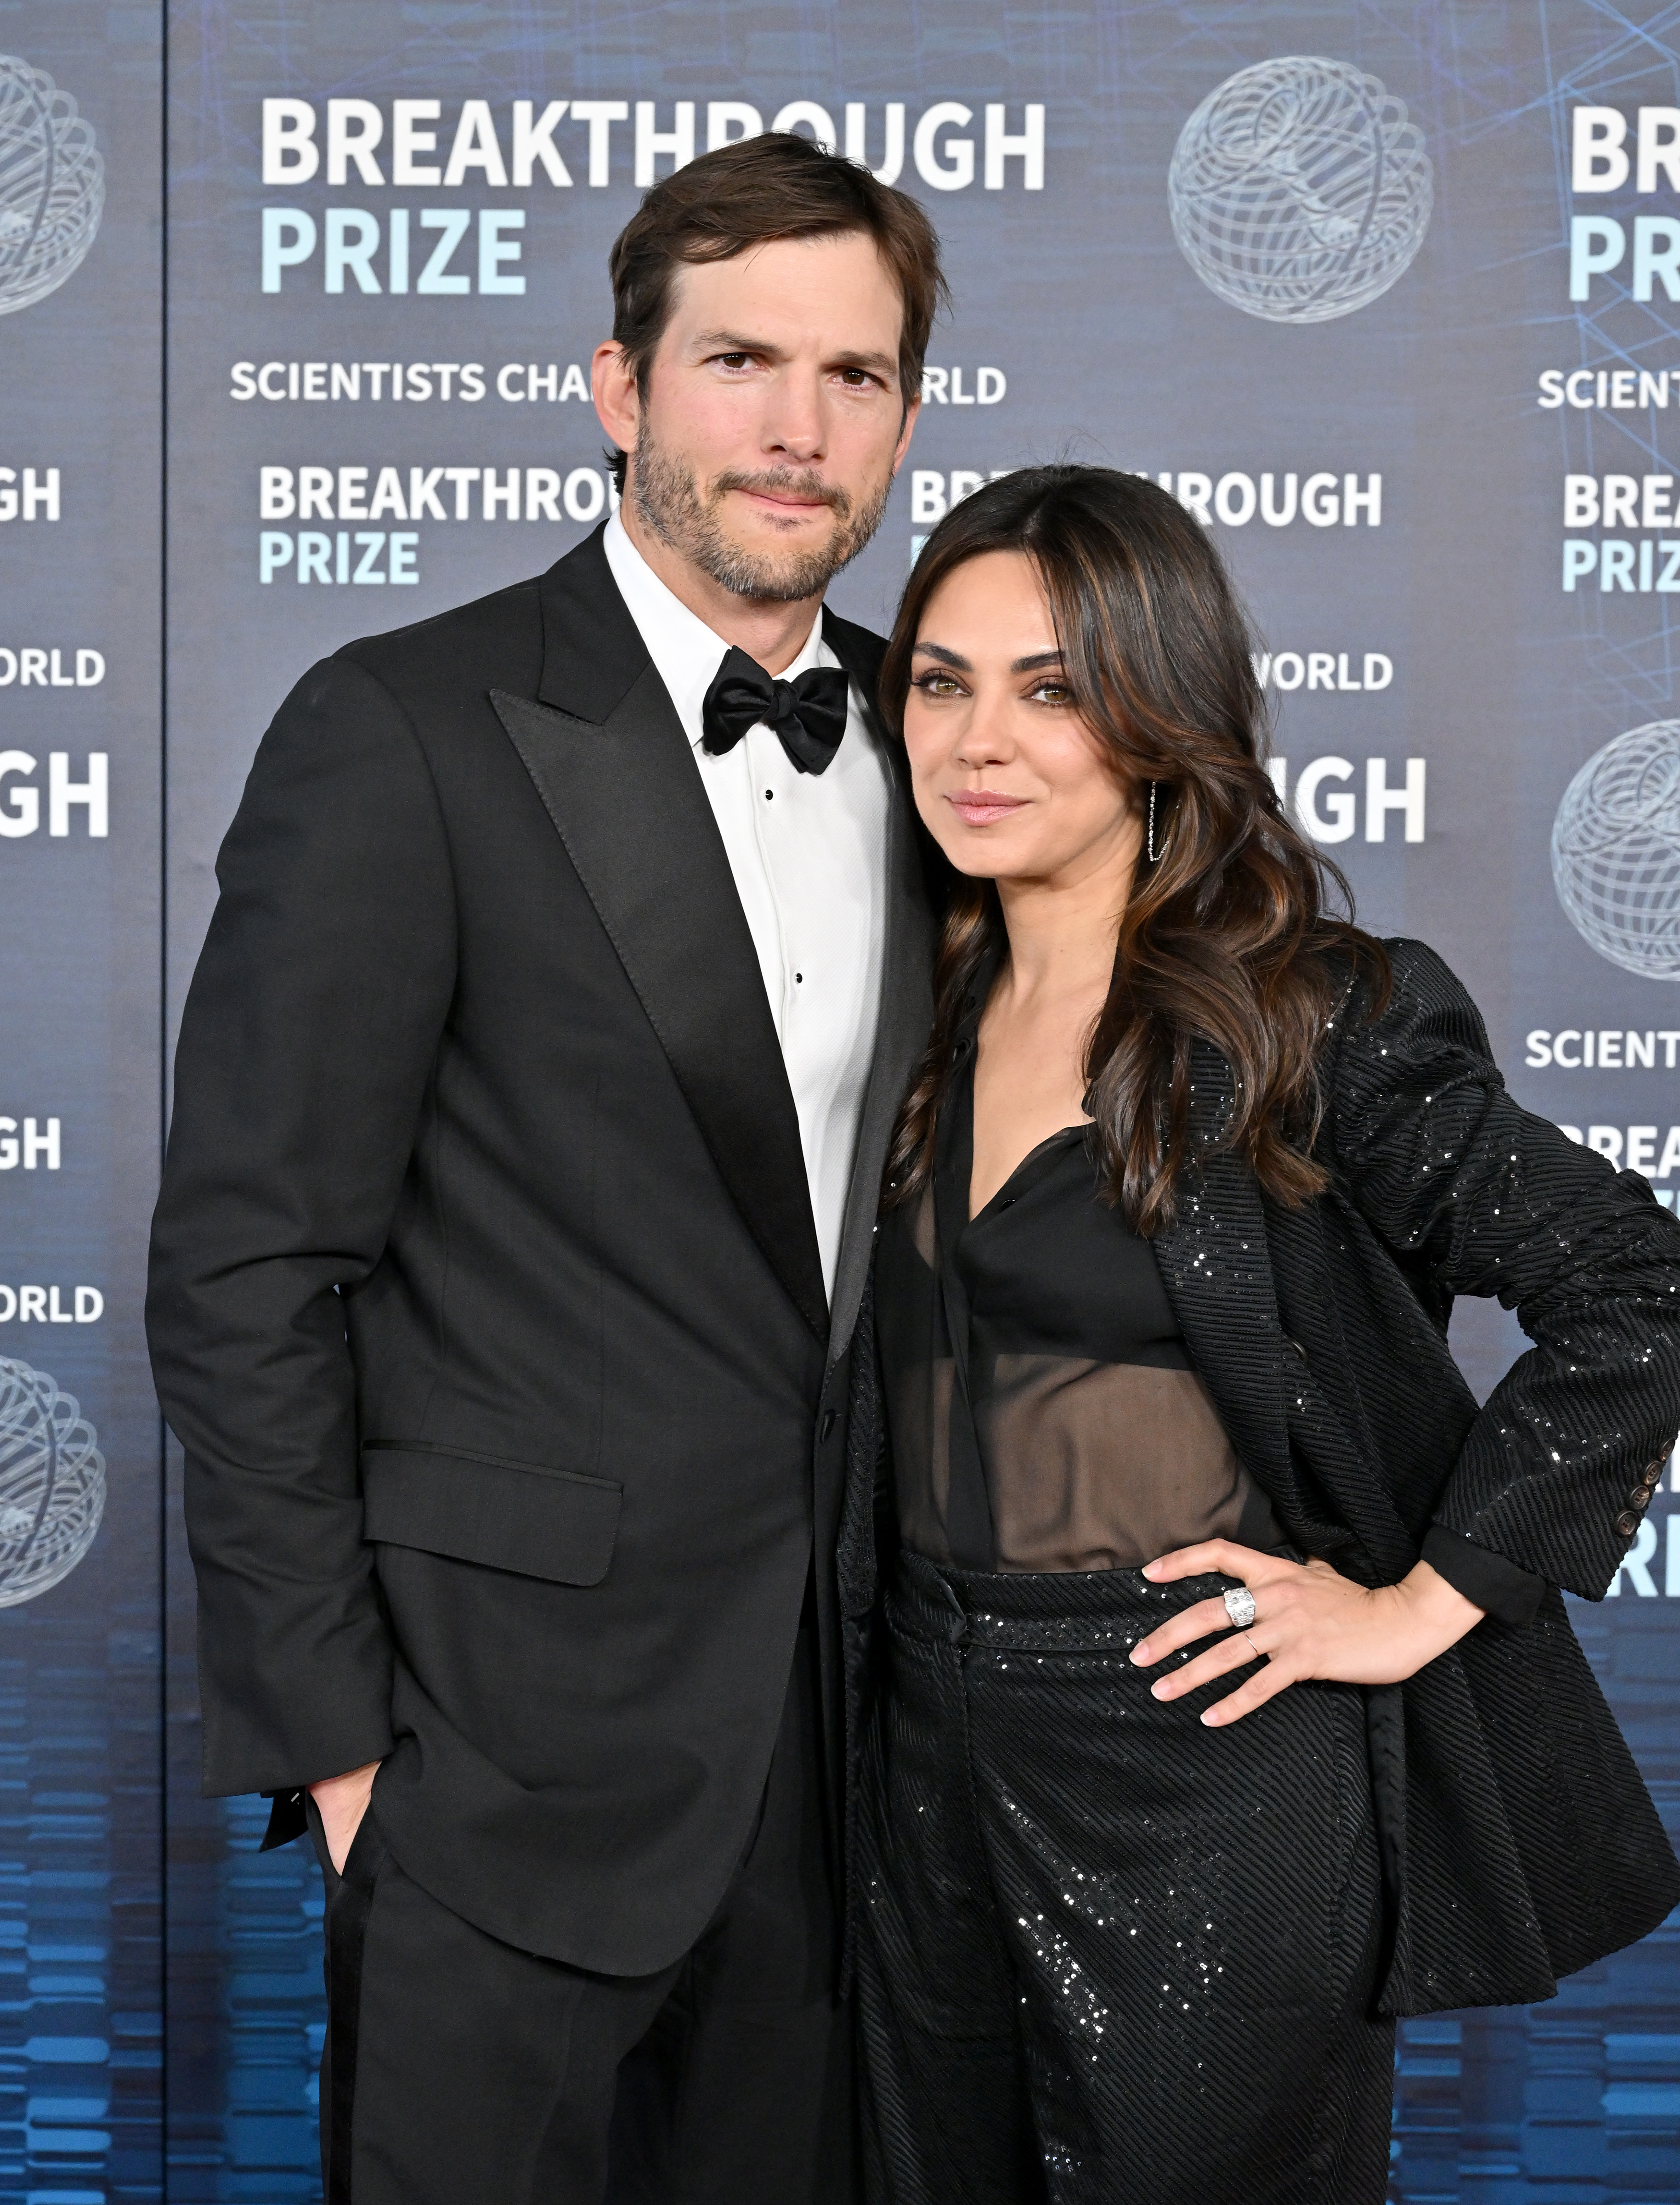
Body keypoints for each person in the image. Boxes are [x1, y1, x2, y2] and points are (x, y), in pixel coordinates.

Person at [147, 131, 945, 2205]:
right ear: (619, 389)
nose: (796, 427)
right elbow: (248, 1267)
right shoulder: (400, 730)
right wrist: (343, 1761)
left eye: (853, 376)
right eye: (740, 362)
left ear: (908, 416)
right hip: (496, 1771)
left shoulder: (950, 754)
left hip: (859, 1774)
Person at [842, 465, 1680, 2205]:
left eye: (1051, 687)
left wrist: (1411, 1609)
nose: (976, 739)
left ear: (1158, 719)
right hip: (916, 1750)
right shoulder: (905, 1003)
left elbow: (1639, 1287)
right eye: (941, 678)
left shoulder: (1303, 1014)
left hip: (1204, 1762)